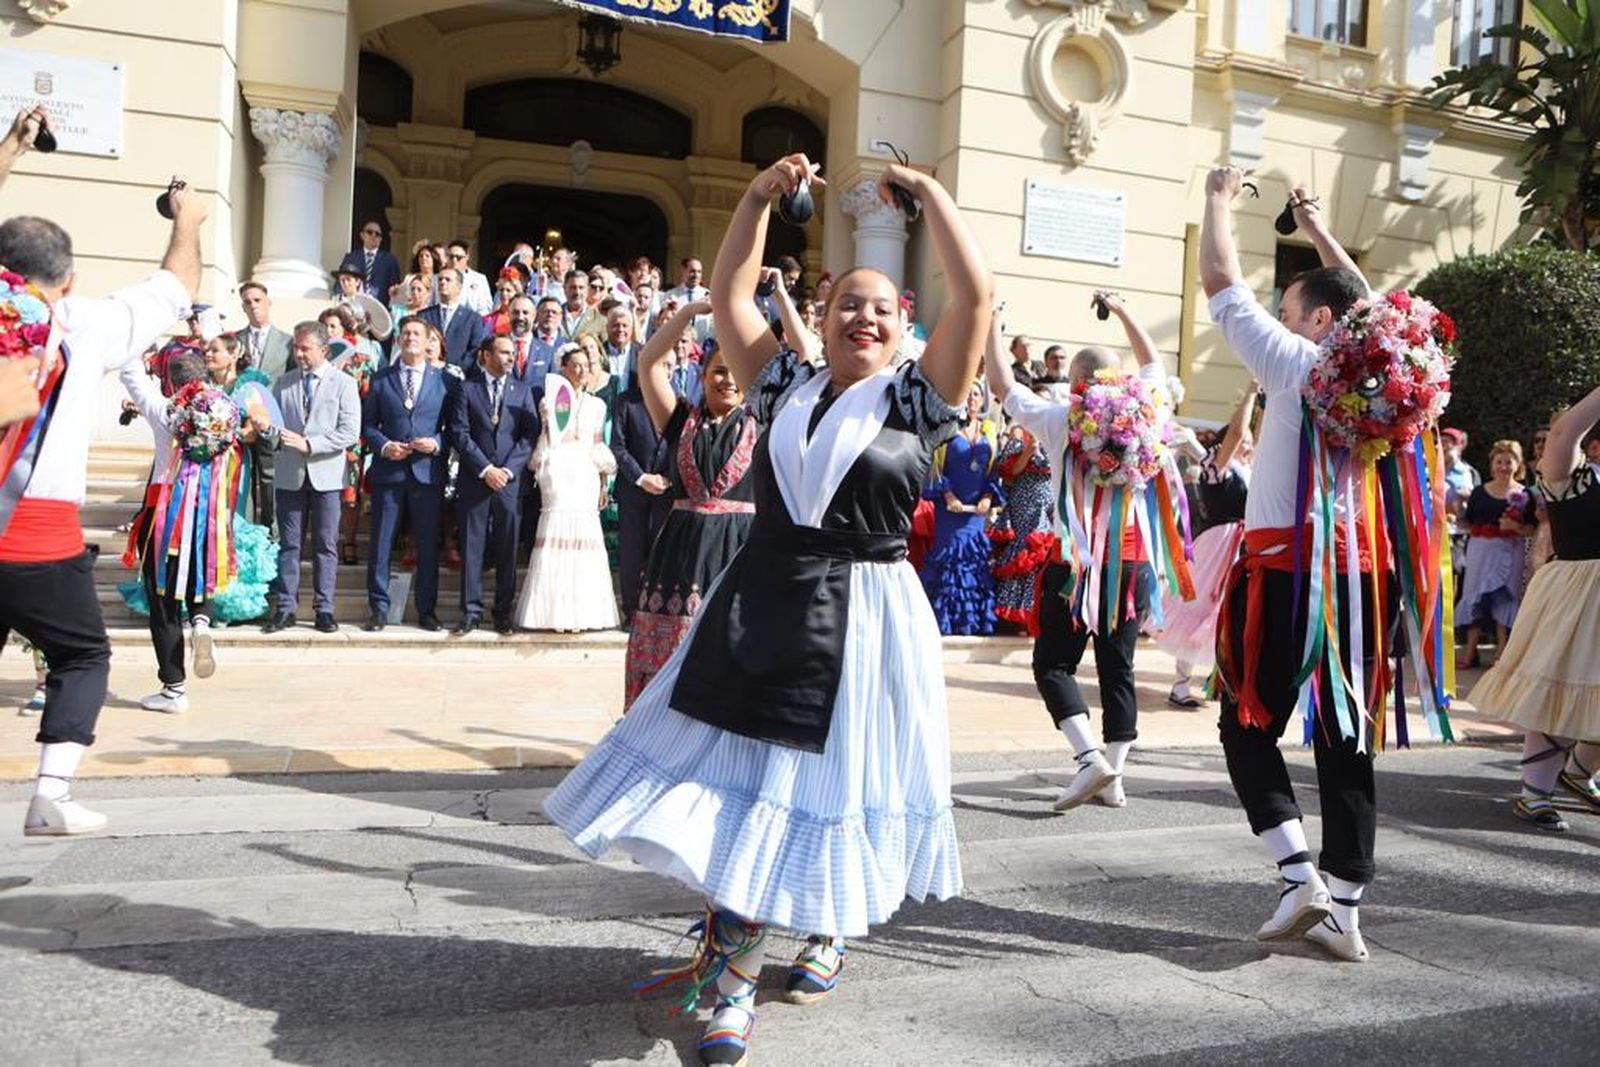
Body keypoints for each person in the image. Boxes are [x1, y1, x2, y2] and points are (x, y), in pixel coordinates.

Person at [545, 154, 990, 1066]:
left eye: (881, 306)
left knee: (831, 791)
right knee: (742, 791)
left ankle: (821, 929)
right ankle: (735, 980)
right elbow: (729, 288)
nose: (863, 315)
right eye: (846, 305)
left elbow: (975, 300)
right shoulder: (784, 382)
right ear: (821, 322)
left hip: (864, 616)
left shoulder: (917, 395)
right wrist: (756, 199)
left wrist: (931, 198)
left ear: (901, 324)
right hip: (760, 598)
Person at [1200, 170, 1389, 964]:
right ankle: (1344, 904)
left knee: (1246, 720)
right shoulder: (1384, 375)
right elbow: (1368, 303)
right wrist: (1314, 230)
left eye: (1290, 310)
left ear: (1316, 320)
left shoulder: (1297, 363)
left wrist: (1216, 199)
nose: (1279, 318)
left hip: (1286, 575)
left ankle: (1297, 874)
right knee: (1348, 732)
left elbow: (1220, 282)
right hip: (1363, 580)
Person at [0, 178, 202, 836]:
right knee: (82, 655)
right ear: (69, 278)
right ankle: (50, 793)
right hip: (34, 533)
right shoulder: (81, 322)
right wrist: (188, 217)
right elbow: (173, 286)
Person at [986, 292, 1175, 810]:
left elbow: (1004, 385)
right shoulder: (1149, 409)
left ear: (1075, 387)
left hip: (1078, 562)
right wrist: (1121, 311)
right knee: (1120, 668)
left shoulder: (1059, 420)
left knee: (1052, 665)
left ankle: (1089, 758)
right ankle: (1114, 779)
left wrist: (993, 323)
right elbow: (1154, 362)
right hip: (1135, 561)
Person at [1470, 383, 1600, 831]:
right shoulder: (1573, 475)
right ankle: (1535, 793)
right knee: (1560, 684)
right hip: (1579, 592)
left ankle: (1579, 773)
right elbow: (1564, 432)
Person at [622, 301, 756, 705]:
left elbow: (805, 361)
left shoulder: (763, 424)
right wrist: (687, 316)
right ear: (702, 374)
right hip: (679, 554)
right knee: (671, 660)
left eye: (736, 371)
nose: (727, 379)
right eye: (718, 370)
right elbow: (648, 363)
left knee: (733, 654)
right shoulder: (681, 419)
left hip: (740, 551)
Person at [1156, 383, 1256, 708]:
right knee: (1198, 606)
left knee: (1228, 612)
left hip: (1241, 547)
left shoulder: (1251, 473)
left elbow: (1253, 432)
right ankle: (1181, 684)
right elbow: (1238, 432)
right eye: (1243, 443)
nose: (1248, 446)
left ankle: (1221, 680)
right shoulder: (1218, 468)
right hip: (1216, 547)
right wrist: (1251, 391)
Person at [261, 322, 362, 634]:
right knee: (289, 544)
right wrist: (266, 429)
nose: (299, 354)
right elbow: (275, 429)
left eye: (305, 348)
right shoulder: (284, 382)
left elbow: (349, 432)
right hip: (290, 475)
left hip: (327, 476)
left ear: (324, 350)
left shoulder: (343, 383)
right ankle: (286, 607)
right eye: (296, 348)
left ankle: (324, 608)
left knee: (325, 545)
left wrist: (311, 445)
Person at [512, 343, 620, 632]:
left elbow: (598, 444)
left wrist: (603, 482)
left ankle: (581, 615)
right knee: (555, 533)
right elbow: (547, 440)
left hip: (585, 472)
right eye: (576, 365)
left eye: (586, 365)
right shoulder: (550, 400)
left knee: (584, 538)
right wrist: (546, 423)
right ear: (564, 368)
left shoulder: (598, 405)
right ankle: (552, 615)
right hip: (558, 471)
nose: (582, 370)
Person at [361, 316, 454, 632]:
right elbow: (368, 425)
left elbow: (454, 429)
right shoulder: (381, 378)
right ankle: (378, 609)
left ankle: (426, 610)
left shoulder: (445, 381)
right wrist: (385, 446)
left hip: (427, 473)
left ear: (430, 341)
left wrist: (437, 443)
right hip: (389, 472)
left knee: (428, 545)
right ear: (398, 340)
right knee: (382, 544)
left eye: (417, 333)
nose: (410, 337)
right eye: (405, 333)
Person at [453, 335, 539, 635]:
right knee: (472, 546)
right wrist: (486, 468)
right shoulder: (467, 389)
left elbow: (529, 435)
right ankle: (470, 612)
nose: (510, 357)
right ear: (485, 355)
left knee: (507, 548)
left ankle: (503, 612)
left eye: (512, 353)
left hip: (509, 483)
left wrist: (507, 470)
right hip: (476, 479)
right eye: (503, 352)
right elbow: (460, 433)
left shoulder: (523, 391)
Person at [920, 379, 1001, 635]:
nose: (972, 399)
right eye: (967, 394)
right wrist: (948, 496)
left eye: (976, 394)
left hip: (976, 511)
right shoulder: (947, 427)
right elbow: (934, 467)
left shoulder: (990, 430)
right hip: (951, 509)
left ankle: (972, 620)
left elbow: (994, 470)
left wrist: (988, 497)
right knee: (949, 555)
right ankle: (943, 618)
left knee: (974, 557)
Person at [1457, 439, 1538, 668]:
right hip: (1480, 549)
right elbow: (1469, 521)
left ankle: (1502, 652)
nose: (1503, 467)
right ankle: (1470, 651)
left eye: (1508, 462)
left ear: (1518, 465)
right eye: (1499, 461)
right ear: (1492, 464)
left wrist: (1516, 528)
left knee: (1505, 595)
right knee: (1474, 596)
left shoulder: (1525, 495)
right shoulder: (1479, 492)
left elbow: (1533, 528)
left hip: (1510, 549)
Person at [610, 347, 671, 629]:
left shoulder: (678, 402)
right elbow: (618, 447)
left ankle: (657, 608)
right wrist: (641, 477)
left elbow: (683, 443)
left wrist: (668, 478)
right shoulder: (626, 401)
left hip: (666, 490)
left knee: (663, 549)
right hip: (633, 488)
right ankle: (631, 611)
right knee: (632, 551)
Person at [989, 411, 1056, 635]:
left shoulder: (1054, 440)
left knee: (1042, 557)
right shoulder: (1017, 442)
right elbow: (1011, 471)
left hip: (1047, 506)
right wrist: (1030, 449)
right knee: (1024, 554)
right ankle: (1017, 614)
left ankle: (1039, 613)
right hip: (1024, 506)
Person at [420, 267, 488, 370]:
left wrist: (456, 368)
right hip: (428, 373)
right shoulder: (424, 315)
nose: (442, 282)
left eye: (448, 280)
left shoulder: (472, 318)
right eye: (440, 279)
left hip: (459, 377)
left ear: (459, 287)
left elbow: (475, 349)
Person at [338, 219, 401, 301]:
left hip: (380, 307)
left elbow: (395, 287)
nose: (373, 235)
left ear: (381, 239)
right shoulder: (351, 257)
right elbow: (340, 282)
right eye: (369, 232)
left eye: (377, 234)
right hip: (354, 304)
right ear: (362, 235)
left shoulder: (389, 260)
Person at [445, 238, 492, 316]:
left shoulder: (479, 279)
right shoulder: (439, 279)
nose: (454, 260)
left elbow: (486, 308)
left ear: (467, 257)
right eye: (451, 257)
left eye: (458, 257)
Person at [603, 305, 641, 392]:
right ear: (607, 328)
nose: (620, 329)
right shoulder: (599, 351)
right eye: (616, 325)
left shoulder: (641, 353)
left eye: (625, 325)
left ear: (631, 329)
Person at [558, 269, 604, 342]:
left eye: (581, 287)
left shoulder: (600, 320)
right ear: (564, 289)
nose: (577, 292)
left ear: (587, 290)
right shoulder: (554, 315)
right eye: (573, 287)